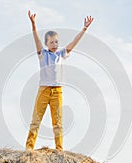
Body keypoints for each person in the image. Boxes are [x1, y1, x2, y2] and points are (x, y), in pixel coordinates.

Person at [25, 10, 94, 150]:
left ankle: (59, 149)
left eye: (56, 41)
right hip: (43, 90)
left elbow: (74, 42)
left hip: (57, 91)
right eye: (51, 42)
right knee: (36, 121)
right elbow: (36, 40)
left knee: (58, 123)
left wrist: (84, 28)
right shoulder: (42, 54)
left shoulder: (62, 54)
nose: (55, 44)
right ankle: (29, 148)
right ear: (46, 44)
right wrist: (33, 25)